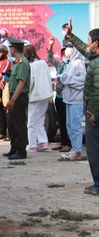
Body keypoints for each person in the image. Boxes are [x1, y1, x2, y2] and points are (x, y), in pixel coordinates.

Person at [64, 18, 99, 195]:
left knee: (94, 152)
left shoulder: (98, 62)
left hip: (95, 116)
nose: (87, 44)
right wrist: (70, 36)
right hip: (93, 113)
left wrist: (95, 115)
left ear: (96, 43)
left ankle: (98, 185)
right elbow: (85, 51)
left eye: (88, 41)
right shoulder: (95, 57)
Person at [53, 38, 86, 160]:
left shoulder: (79, 63)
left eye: (69, 47)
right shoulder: (70, 63)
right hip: (68, 99)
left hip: (76, 99)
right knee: (69, 125)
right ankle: (74, 148)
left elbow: (82, 81)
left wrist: (67, 79)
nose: (67, 50)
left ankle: (77, 150)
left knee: (76, 126)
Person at [4, 37, 30, 160]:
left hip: (19, 97)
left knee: (19, 124)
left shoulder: (23, 62)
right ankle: (14, 147)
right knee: (12, 124)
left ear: (13, 48)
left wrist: (13, 99)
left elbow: (21, 83)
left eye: (10, 47)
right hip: (14, 95)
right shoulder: (17, 61)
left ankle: (21, 150)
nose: (9, 49)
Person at [25, 44, 53, 152]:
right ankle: (43, 141)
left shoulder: (31, 66)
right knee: (40, 119)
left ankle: (32, 144)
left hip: (35, 95)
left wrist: (27, 93)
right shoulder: (43, 63)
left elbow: (31, 81)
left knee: (31, 121)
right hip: (45, 94)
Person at [47, 39, 73, 152]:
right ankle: (63, 142)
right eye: (65, 49)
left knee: (69, 122)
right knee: (62, 121)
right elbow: (50, 59)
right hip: (59, 97)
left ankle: (70, 143)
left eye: (69, 49)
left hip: (68, 97)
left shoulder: (74, 65)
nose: (66, 52)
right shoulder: (61, 64)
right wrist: (50, 45)